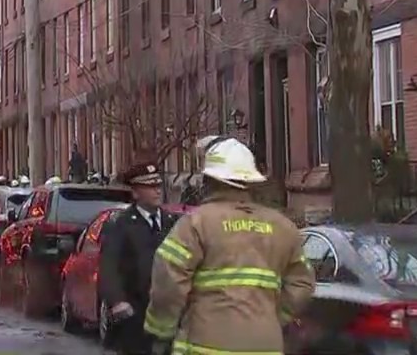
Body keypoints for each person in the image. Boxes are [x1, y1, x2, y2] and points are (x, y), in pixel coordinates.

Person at [143, 138, 314, 355]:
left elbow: (168, 281)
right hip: (264, 345)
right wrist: (271, 316)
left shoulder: (196, 224)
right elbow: (302, 284)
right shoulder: (283, 228)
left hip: (205, 345)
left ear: (210, 181)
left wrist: (160, 330)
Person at [98, 162, 178, 355]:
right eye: (150, 187)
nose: (157, 191)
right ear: (135, 193)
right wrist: (118, 301)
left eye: (159, 185)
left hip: (168, 313)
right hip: (135, 313)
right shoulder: (121, 224)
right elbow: (109, 266)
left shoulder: (172, 223)